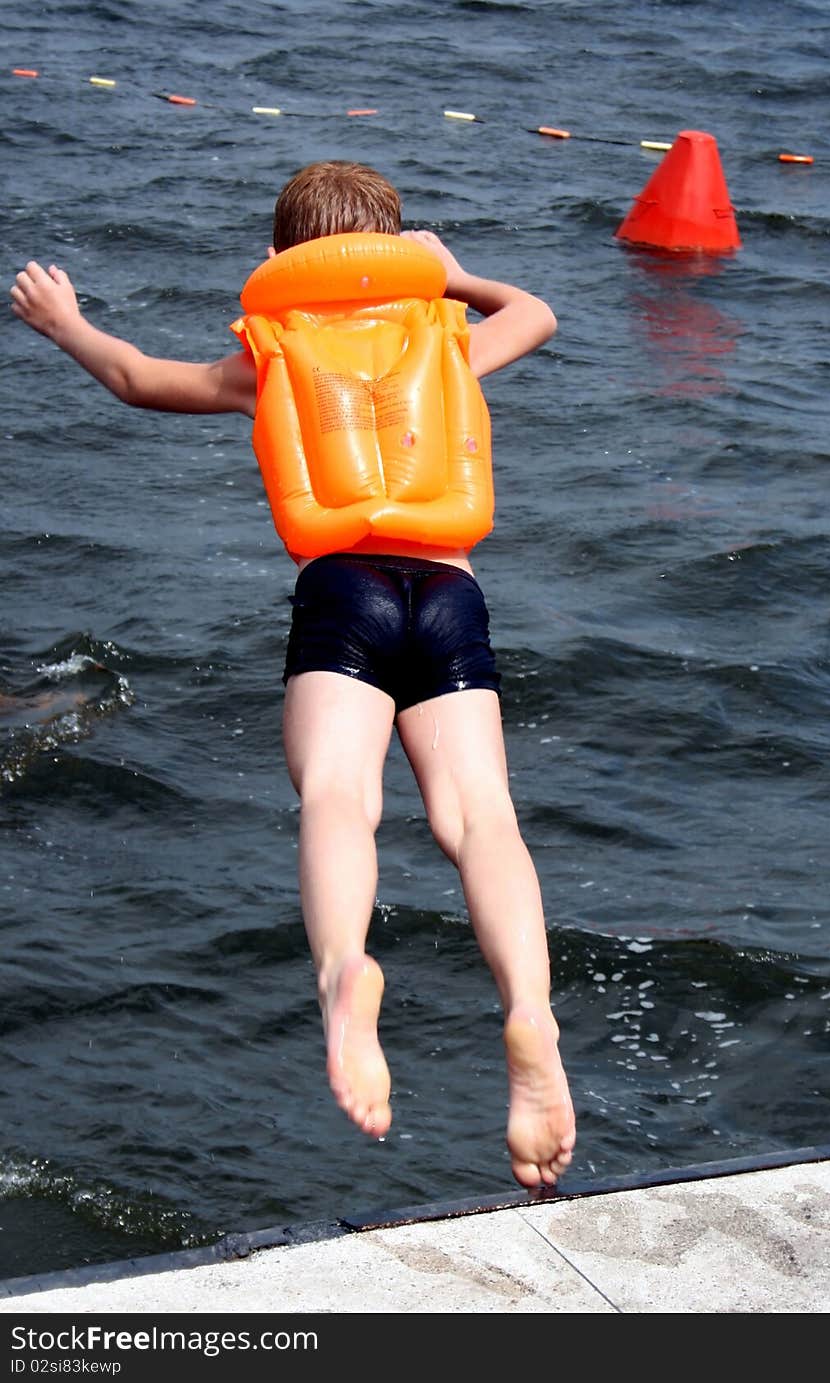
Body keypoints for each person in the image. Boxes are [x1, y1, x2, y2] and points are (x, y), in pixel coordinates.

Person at [10, 160, 576, 1189]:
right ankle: (529, 1011)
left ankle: (343, 975)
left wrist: (68, 326)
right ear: (402, 257)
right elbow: (535, 313)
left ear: (280, 263)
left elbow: (139, 378)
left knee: (337, 796)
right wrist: (456, 277)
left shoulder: (270, 361)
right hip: (449, 597)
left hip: (343, 594)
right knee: (481, 817)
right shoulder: (447, 339)